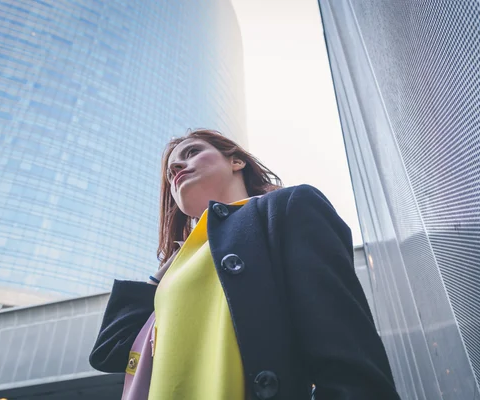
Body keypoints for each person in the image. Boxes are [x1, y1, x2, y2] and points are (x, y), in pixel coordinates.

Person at [89, 129, 400, 399]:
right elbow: (111, 351)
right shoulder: (175, 273)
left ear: (235, 161)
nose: (177, 168)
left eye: (192, 152)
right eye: (171, 172)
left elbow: (346, 355)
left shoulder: (285, 210)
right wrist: (164, 272)